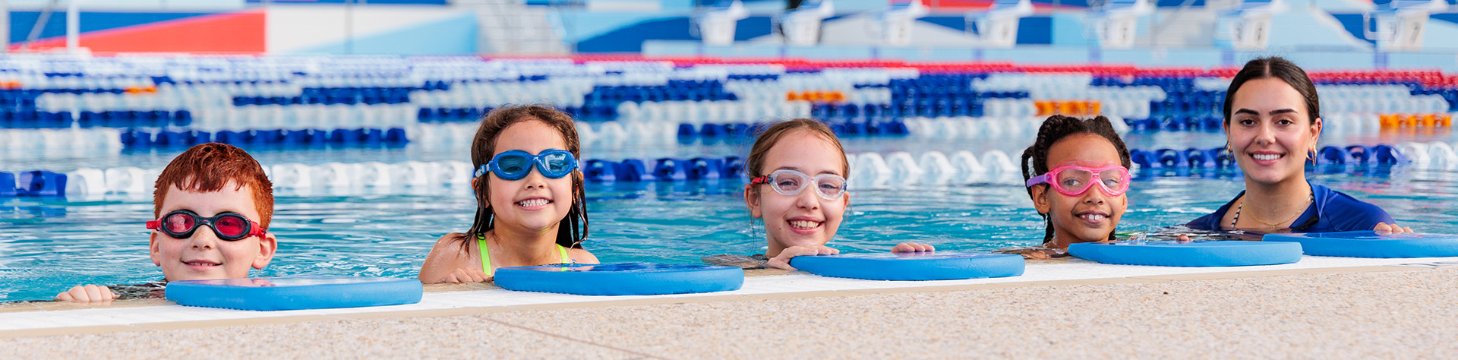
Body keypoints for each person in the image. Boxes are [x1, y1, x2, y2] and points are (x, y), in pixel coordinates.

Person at [1185, 56, 1411, 234]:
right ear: (1228, 133)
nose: (1265, 137)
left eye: (1283, 122)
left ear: (1314, 133)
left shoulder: (1363, 226)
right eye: (1248, 122)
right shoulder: (1201, 233)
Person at [55, 143, 279, 304]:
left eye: (229, 224)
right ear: (156, 247)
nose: (202, 241)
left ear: (262, 249)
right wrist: (78, 302)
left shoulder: (279, 297)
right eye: (180, 222)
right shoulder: (121, 299)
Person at [419, 105, 598, 284]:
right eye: (512, 167)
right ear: (482, 192)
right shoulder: (457, 255)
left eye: (555, 165)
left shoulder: (584, 266)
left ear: (575, 188)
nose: (535, 180)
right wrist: (450, 291)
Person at [1007, 115, 1133, 259]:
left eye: (1110, 181)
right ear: (1042, 198)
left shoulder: (1139, 248)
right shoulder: (1026, 260)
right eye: (1072, 181)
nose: (1095, 197)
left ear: (1123, 200)